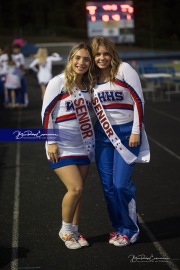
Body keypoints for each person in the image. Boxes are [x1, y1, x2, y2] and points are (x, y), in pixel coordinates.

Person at [90, 36, 150, 247]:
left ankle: (130, 230)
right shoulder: (92, 76)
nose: (102, 57)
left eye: (106, 53)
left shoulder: (124, 70)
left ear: (112, 54)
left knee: (120, 185)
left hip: (126, 133)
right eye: (97, 54)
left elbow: (138, 101)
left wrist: (136, 131)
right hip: (102, 136)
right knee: (108, 188)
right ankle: (118, 228)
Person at [41, 43, 95, 249]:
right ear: (71, 59)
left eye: (86, 59)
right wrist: (51, 141)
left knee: (80, 193)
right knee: (75, 188)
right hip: (61, 146)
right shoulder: (59, 82)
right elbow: (46, 113)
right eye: (78, 58)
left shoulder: (88, 86)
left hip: (83, 145)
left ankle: (75, 231)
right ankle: (65, 230)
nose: (81, 62)